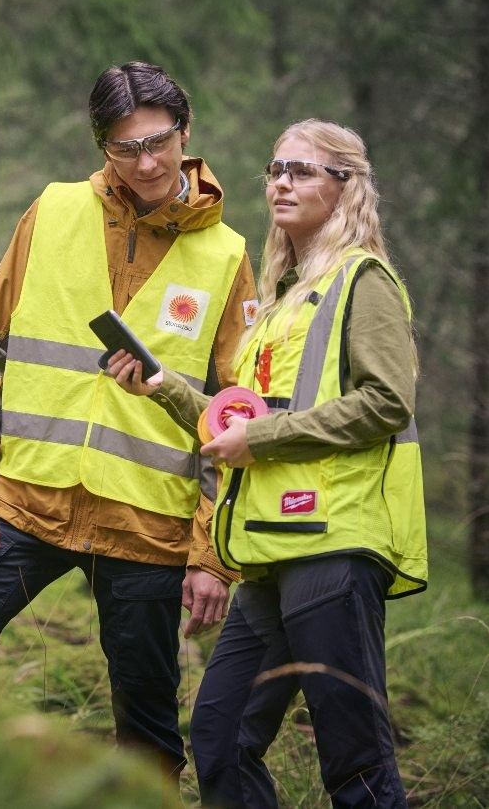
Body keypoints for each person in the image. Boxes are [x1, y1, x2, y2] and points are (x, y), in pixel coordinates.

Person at [0, 61, 258, 794]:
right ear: (102, 146)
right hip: (22, 506)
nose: (148, 162)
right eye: (125, 148)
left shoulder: (227, 254)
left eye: (160, 141)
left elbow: (236, 415)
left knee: (148, 733)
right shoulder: (52, 209)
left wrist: (210, 552)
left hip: (149, 525)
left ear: (185, 131)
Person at [107, 119, 427, 808]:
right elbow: (237, 422)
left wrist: (265, 440)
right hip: (269, 554)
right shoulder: (284, 298)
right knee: (219, 737)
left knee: (355, 759)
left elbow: (388, 402)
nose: (281, 181)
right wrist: (161, 383)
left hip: (335, 549)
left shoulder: (362, 281)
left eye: (303, 170)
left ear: (347, 187)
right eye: (276, 168)